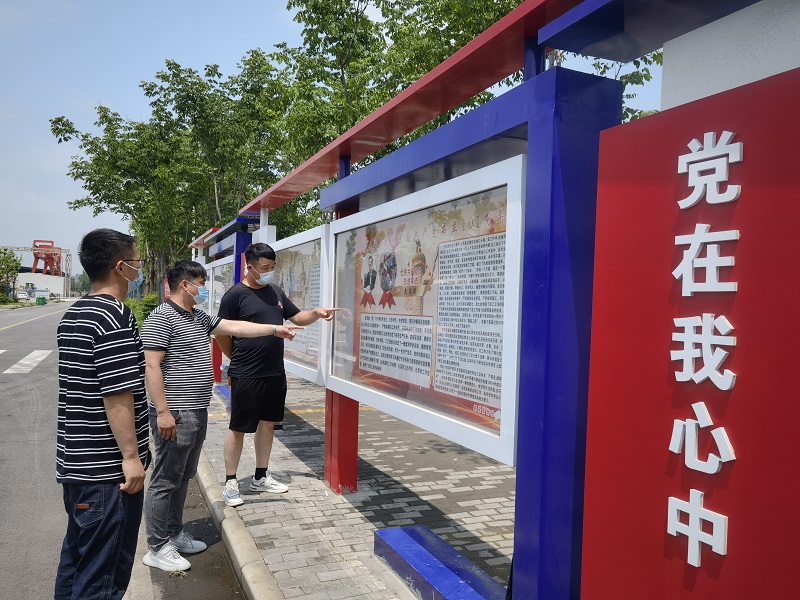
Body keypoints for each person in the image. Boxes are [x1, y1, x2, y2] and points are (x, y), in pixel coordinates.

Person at [140, 260, 303, 572]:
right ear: (185, 284)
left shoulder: (196, 315)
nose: (203, 289)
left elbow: (234, 327)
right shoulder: (162, 318)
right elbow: (152, 367)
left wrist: (275, 329)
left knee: (183, 476)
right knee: (165, 479)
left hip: (196, 409)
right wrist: (162, 412)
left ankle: (174, 533)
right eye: (200, 284)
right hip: (176, 411)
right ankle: (157, 546)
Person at [55, 228, 150, 600]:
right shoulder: (114, 315)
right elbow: (117, 394)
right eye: (138, 262)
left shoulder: (75, 313)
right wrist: (131, 457)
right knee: (102, 581)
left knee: (77, 564)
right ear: (121, 267)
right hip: (108, 475)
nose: (140, 269)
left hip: (78, 468)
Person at [216, 243, 338, 507]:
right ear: (249, 267)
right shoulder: (234, 296)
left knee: (268, 424)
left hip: (274, 372)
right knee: (239, 428)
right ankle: (230, 482)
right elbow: (221, 332)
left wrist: (317, 313)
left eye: (272, 267)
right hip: (247, 373)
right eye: (264, 267)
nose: (269, 271)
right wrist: (235, 357)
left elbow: (297, 317)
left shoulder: (275, 292)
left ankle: (261, 476)